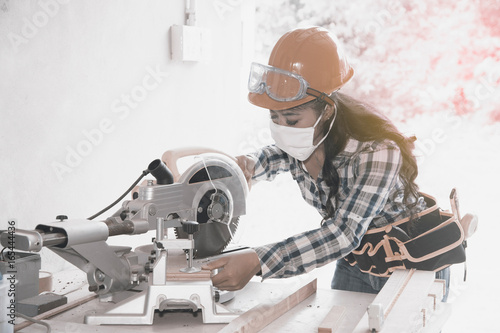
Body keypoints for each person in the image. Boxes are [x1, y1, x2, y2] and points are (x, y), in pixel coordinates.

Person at [202, 26, 450, 297]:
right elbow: (270, 157)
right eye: (275, 118)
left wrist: (258, 260)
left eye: (292, 120)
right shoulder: (303, 142)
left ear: (327, 111)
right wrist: (239, 171)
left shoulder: (378, 152)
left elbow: (343, 234)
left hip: (411, 265)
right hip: (358, 259)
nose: (283, 128)